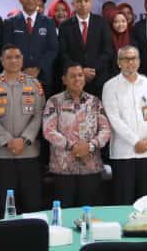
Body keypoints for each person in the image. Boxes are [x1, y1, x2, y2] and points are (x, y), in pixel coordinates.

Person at [0, 44, 46, 215]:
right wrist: (8, 140)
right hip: (2, 154)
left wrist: (24, 139)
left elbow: (39, 114)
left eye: (17, 57)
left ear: (22, 59)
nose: (14, 60)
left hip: (29, 152)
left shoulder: (34, 84)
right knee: (5, 205)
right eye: (9, 57)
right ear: (2, 60)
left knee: (32, 203)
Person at [43, 62, 112, 207]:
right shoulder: (54, 101)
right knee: (65, 212)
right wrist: (72, 146)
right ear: (64, 80)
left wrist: (90, 146)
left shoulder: (94, 101)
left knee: (89, 213)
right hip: (63, 168)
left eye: (80, 75)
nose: (77, 79)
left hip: (91, 167)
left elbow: (106, 130)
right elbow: (48, 131)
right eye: (72, 76)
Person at [102, 45, 147, 205]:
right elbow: (114, 118)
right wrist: (136, 142)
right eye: (126, 59)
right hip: (124, 153)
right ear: (118, 62)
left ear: (139, 61)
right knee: (124, 201)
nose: (130, 62)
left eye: (133, 58)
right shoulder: (110, 86)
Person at [2, 0, 59, 90]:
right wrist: (21, 70)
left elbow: (53, 49)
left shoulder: (49, 22)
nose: (30, 0)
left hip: (42, 77)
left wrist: (37, 68)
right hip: (17, 77)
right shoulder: (10, 23)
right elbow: (7, 50)